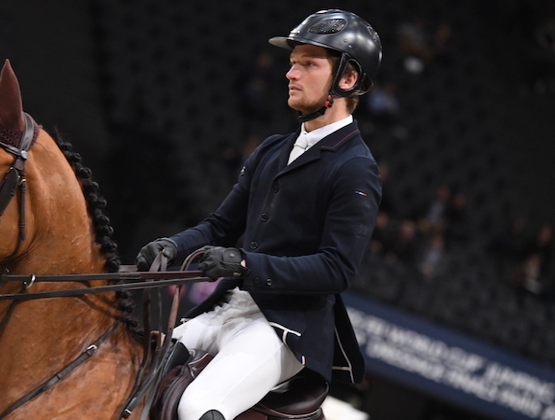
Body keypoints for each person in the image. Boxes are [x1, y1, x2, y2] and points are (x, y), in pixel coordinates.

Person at [135, 9, 382, 420]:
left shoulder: (356, 168)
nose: (291, 73)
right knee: (133, 369)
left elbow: (336, 269)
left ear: (347, 79)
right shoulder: (271, 149)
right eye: (292, 62)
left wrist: (246, 262)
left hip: (285, 331)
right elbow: (220, 226)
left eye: (308, 64)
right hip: (229, 308)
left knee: (198, 407)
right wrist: (172, 245)